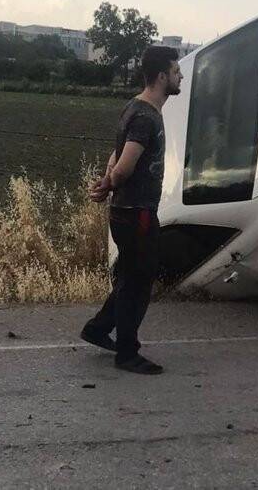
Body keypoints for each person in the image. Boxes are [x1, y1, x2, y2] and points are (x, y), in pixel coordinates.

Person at [79, 46, 182, 375]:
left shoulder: (136, 108)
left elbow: (115, 156)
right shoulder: (145, 116)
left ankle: (97, 328)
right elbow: (123, 166)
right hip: (136, 212)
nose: (182, 76)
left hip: (128, 211)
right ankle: (127, 352)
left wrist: (107, 182)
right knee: (139, 281)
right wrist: (110, 182)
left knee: (129, 276)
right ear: (162, 77)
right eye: (177, 72)